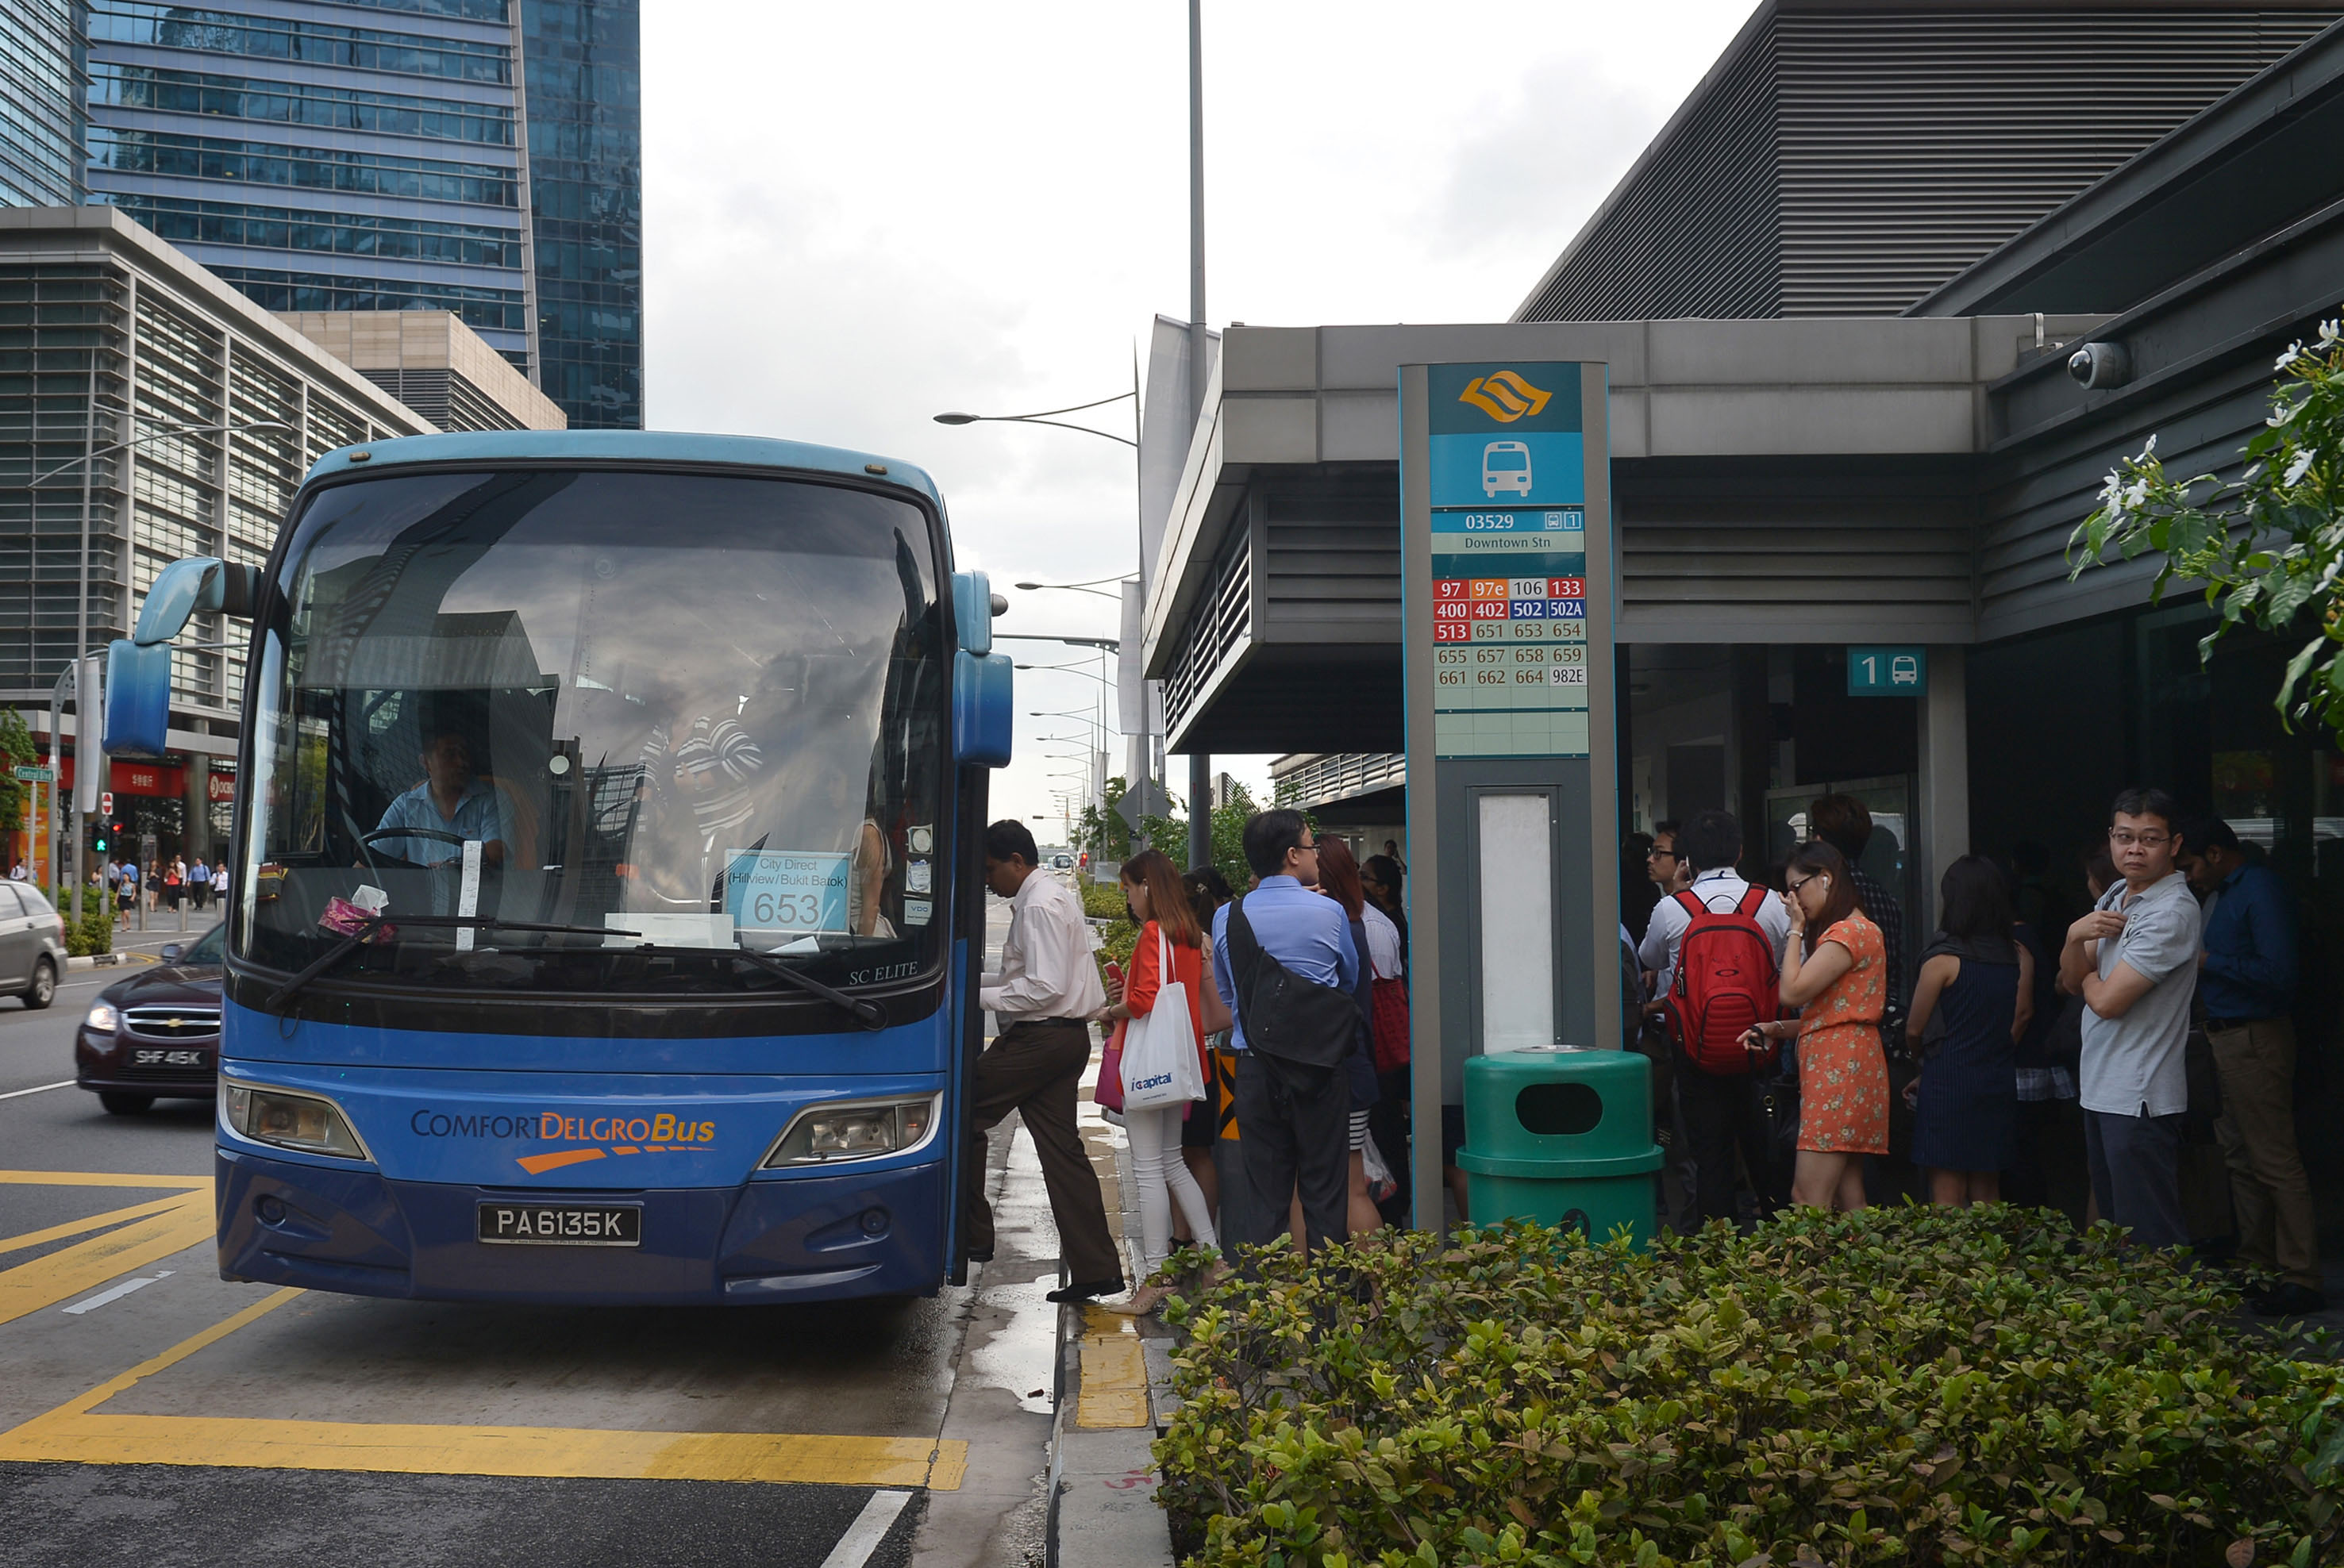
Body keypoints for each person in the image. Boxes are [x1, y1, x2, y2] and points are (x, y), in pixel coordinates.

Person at [968, 819, 1122, 1303]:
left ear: (1017, 862)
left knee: (959, 1111)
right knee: (1062, 1154)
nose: (988, 880)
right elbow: (1026, 976)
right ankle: (1098, 1270)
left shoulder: (1038, 905)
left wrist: (976, 999)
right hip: (1059, 1038)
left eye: (991, 869)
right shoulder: (1046, 898)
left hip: (1041, 1041)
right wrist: (974, 985)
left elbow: (1044, 987)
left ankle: (970, 1235)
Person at [2179, 817, 2319, 1313]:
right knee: (2239, 1158)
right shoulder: (2220, 893)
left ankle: (2301, 1274)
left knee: (2274, 1159)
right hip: (2224, 1037)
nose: (2189, 876)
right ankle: (2255, 1264)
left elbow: (2280, 975)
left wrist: (2206, 962)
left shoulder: (2258, 889)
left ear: (2216, 854)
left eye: (2192, 865)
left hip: (2256, 1036)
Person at [2059, 789, 2202, 1253]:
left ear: (2174, 844)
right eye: (2125, 837)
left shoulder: (2172, 912)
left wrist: (2088, 971)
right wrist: (2072, 937)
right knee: (2115, 1234)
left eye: (2150, 839)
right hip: (2102, 1085)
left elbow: (2105, 1002)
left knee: (2149, 1239)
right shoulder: (2119, 892)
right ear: (2111, 839)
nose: (2134, 849)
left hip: (2140, 1093)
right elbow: (2070, 978)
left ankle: (2175, 1326)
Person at [1210, 809, 1359, 1255]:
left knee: (1264, 1200)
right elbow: (1346, 984)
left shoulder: (1226, 918)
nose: (1316, 854)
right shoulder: (1330, 913)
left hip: (1253, 1071)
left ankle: (1265, 1313)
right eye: (1312, 845)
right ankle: (1328, 1314)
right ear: (1293, 856)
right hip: (1319, 1071)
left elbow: (1228, 992)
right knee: (1325, 1196)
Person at [1642, 809, 1792, 1224]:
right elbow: (1787, 964)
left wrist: (1676, 891)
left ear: (1687, 858)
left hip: (1693, 1048)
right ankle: (1776, 1241)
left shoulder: (1673, 909)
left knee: (1710, 1154)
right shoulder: (1770, 904)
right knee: (1764, 1149)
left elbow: (1648, 957)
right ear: (1741, 851)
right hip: (1760, 1045)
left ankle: (1715, 1251)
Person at [1092, 849, 1218, 1313]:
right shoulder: (1189, 934)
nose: (1127, 898)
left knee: (1148, 1171)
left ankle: (1155, 1278)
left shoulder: (1152, 933)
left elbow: (1143, 1001)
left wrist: (1111, 1009)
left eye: (1128, 888)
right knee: (1172, 1163)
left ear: (1146, 887)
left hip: (1148, 1065)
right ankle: (1213, 1258)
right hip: (1179, 1059)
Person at [1746, 841, 1888, 1211]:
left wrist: (1794, 930)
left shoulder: (1849, 933)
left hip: (1838, 1072)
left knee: (1807, 1198)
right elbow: (1834, 1013)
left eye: (1797, 887)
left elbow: (1792, 991)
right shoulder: (1858, 929)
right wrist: (1777, 1029)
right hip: (1849, 1064)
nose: (1792, 898)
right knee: (1847, 1193)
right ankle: (1860, 1268)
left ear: (1825, 879)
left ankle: (1812, 1269)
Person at [1906, 856, 2031, 1207]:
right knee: (1988, 1192)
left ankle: (1950, 1263)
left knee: (1947, 1196)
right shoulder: (2015, 955)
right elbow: (2020, 1014)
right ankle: (1991, 1261)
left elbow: (1915, 1028)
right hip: (1997, 1079)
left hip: (1948, 1080)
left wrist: (1922, 1064)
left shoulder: (1942, 961)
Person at [1312, 837, 1390, 1239]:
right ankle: (1379, 1296)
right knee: (1353, 1185)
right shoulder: (1359, 923)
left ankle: (1311, 1293)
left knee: (1323, 1185)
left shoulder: (1331, 926)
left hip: (1330, 1071)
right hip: (1357, 1068)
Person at [1808, 794, 1907, 1050]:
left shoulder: (1824, 898)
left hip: (1832, 1032)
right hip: (1882, 1028)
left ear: (1818, 841)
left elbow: (1799, 988)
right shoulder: (1885, 898)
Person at [1172, 864, 1236, 1245]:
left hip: (1193, 1054)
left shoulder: (1189, 943)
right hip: (1208, 1055)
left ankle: (1190, 1236)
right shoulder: (1211, 940)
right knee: (1194, 1152)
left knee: (1188, 1153)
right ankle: (1193, 1235)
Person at [374, 731, 512, 867]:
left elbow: (497, 849)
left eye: (464, 754)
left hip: (478, 888)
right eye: (450, 755)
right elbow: (372, 857)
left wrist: (455, 868)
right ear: (426, 762)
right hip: (420, 888)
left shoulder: (492, 799)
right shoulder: (406, 805)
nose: (461, 762)